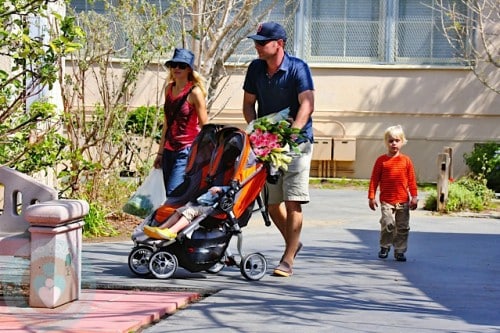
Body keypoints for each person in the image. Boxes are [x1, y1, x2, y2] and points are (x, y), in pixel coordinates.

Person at [242, 22, 315, 277]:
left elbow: (306, 104)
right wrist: (255, 132)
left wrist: (292, 134)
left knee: (292, 200)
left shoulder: (298, 68)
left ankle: (288, 259)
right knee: (273, 204)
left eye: (262, 43)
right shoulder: (255, 69)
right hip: (267, 143)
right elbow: (249, 104)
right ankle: (294, 243)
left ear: (279, 44)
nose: (257, 47)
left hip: (297, 142)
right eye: (256, 42)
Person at [154, 48, 208, 196]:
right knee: (168, 193)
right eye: (174, 65)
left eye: (182, 65)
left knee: (174, 192)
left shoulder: (194, 93)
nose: (177, 68)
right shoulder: (168, 89)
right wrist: (160, 152)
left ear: (189, 69)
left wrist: (204, 153)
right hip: (169, 149)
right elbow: (166, 123)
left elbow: (205, 125)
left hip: (186, 149)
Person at [368, 125, 418, 262]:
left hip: (403, 200)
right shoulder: (381, 161)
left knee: (402, 227)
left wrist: (414, 197)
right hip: (386, 200)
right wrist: (371, 197)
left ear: (402, 142)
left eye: (397, 140)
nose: (394, 143)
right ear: (386, 142)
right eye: (390, 141)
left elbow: (412, 180)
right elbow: (374, 180)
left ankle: (400, 250)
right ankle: (385, 246)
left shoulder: (406, 161)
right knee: (388, 223)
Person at [144, 186, 228, 240]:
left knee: (191, 211)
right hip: (212, 203)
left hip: (219, 209)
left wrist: (221, 189)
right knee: (181, 209)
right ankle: (161, 229)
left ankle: (172, 231)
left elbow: (232, 188)